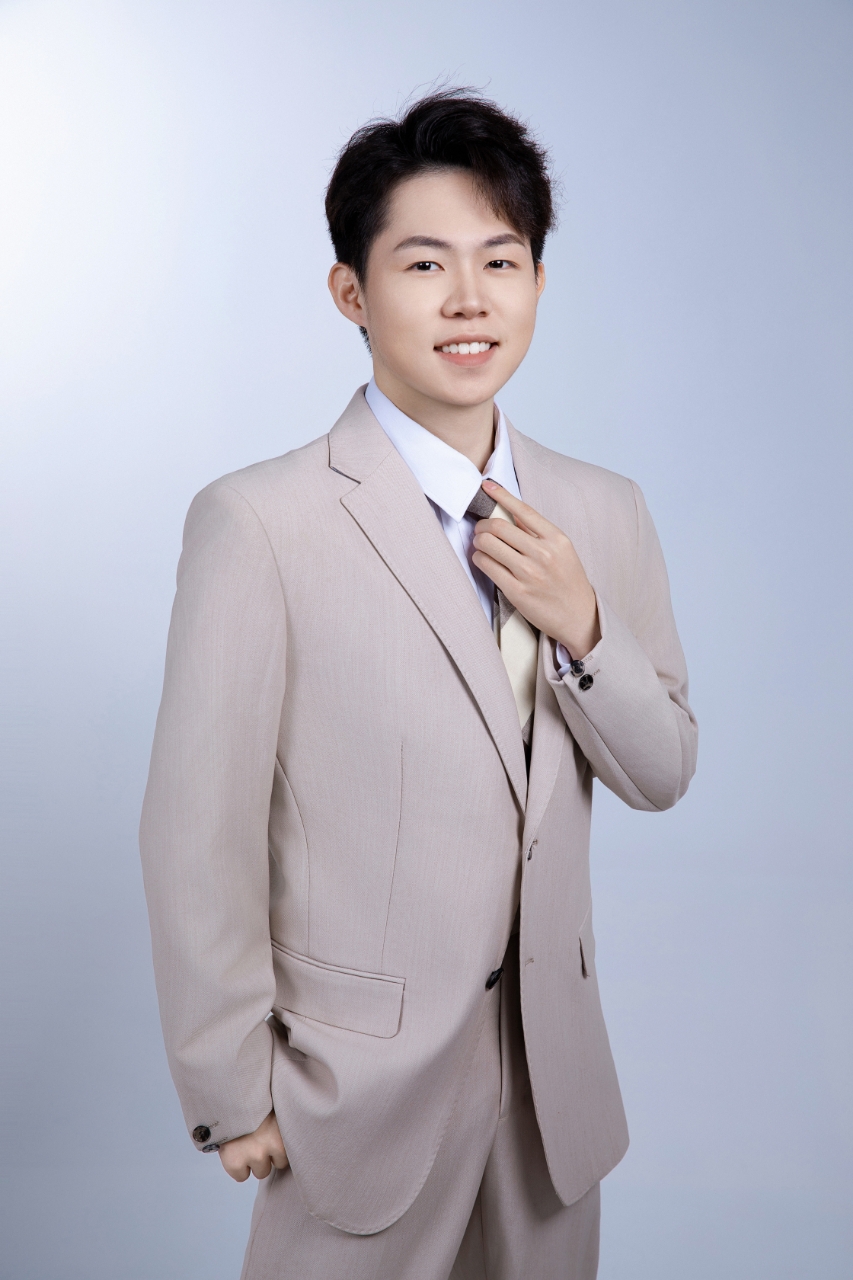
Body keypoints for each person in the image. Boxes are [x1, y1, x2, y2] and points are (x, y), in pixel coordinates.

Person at [140, 88, 697, 1280]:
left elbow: (662, 770)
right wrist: (232, 1086)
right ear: (351, 293)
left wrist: (585, 625)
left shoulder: (603, 511)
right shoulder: (261, 522)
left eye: (501, 260)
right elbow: (197, 830)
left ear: (537, 282)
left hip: (553, 1103)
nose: (468, 299)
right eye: (425, 263)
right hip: (351, 1099)